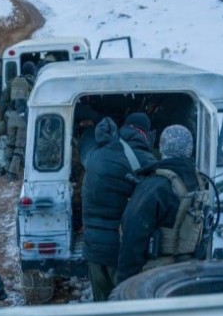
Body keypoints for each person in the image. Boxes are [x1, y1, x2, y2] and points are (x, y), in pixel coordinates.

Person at [78, 112, 157, 301]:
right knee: (125, 304)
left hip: (93, 248)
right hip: (121, 251)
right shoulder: (145, 161)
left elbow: (84, 147)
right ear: (146, 134)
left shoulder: (96, 153)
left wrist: (88, 129)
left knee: (102, 304)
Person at [116, 124, 201, 285]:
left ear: (161, 147)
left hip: (157, 275)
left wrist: (124, 282)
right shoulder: (198, 180)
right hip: (187, 271)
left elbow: (132, 237)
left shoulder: (155, 186)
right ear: (190, 149)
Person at [4, 61, 37, 181]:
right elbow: (25, 99)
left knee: (10, 144)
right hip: (22, 117)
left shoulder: (14, 81)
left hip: (11, 116)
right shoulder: (32, 82)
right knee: (19, 146)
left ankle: (6, 167)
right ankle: (12, 173)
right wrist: (23, 113)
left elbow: (5, 98)